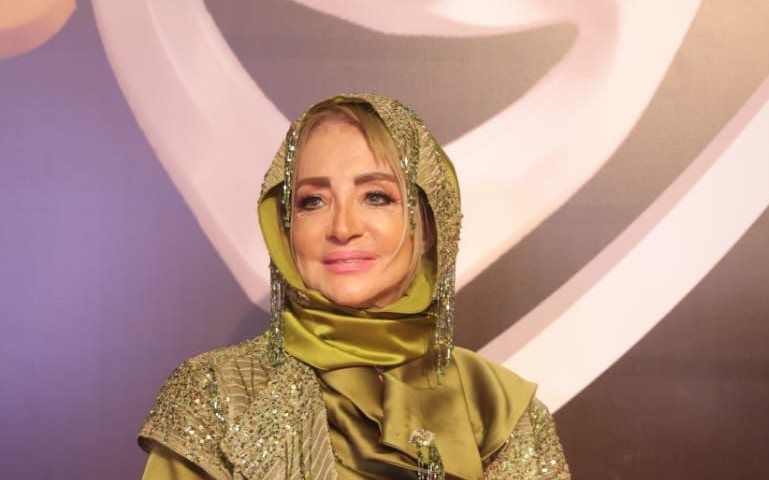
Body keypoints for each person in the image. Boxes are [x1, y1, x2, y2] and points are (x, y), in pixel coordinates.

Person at [138, 93, 570, 479]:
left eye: (376, 197)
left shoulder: (497, 406)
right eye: (312, 201)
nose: (343, 227)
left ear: (429, 223)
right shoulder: (217, 391)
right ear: (284, 229)